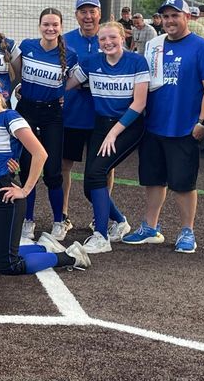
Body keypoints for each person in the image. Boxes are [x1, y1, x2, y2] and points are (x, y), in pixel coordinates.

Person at [123, 0, 204, 253]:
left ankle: (187, 231)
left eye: (175, 15)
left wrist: (203, 122)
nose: (170, 21)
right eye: (165, 16)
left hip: (185, 127)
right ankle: (150, 227)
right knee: (154, 180)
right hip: (154, 125)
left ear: (187, 17)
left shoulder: (202, 48)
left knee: (184, 183)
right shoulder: (155, 45)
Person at [0, 76, 90, 275]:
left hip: (4, 193)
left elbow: (40, 153)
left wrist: (25, 189)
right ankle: (44, 246)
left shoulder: (11, 117)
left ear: (1, 95)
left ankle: (70, 256)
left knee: (9, 266)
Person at [67, 21, 150, 253]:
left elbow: (140, 103)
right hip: (101, 126)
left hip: (128, 126)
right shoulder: (91, 62)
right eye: (103, 39)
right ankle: (121, 222)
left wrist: (114, 133)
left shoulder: (136, 62)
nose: (108, 43)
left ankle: (101, 237)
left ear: (123, 38)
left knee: (96, 174)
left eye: (112, 38)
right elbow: (67, 84)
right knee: (89, 187)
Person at [15, 8, 76, 241]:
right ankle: (27, 220)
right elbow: (17, 73)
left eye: (55, 25)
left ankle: (59, 221)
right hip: (27, 110)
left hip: (52, 114)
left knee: (53, 171)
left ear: (61, 27)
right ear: (39, 25)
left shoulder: (70, 55)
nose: (50, 29)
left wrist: (59, 93)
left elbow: (71, 82)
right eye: (46, 24)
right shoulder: (27, 46)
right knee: (28, 167)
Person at [61, 0, 111, 235]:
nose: (88, 16)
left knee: (103, 167)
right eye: (83, 11)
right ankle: (63, 215)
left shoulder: (109, 38)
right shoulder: (65, 39)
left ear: (99, 13)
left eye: (92, 11)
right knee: (64, 165)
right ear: (76, 15)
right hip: (71, 114)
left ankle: (100, 216)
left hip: (102, 115)